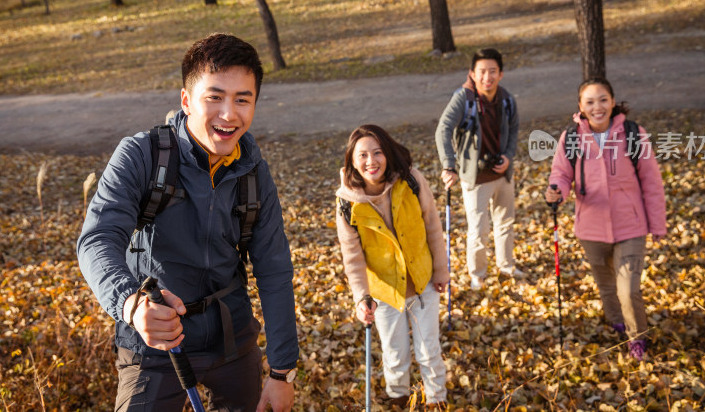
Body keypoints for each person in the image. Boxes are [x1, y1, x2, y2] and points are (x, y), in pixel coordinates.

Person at [77, 33, 299, 411]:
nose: (229, 114)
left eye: (242, 100)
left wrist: (282, 373)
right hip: (155, 340)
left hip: (232, 342)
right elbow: (97, 239)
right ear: (186, 100)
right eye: (214, 97)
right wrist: (131, 305)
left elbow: (274, 271)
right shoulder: (142, 155)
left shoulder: (254, 174)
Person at [544, 77, 667, 360]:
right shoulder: (572, 137)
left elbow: (651, 182)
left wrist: (657, 223)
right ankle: (617, 323)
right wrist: (556, 192)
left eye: (603, 100)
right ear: (580, 107)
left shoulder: (634, 134)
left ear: (612, 102)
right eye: (590, 102)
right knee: (607, 286)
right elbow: (561, 174)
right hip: (591, 226)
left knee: (629, 289)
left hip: (631, 226)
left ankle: (637, 338)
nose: (597, 107)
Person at [335, 125, 449, 409]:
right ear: (351, 161)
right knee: (395, 353)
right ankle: (399, 398)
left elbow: (433, 227)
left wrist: (441, 270)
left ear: (388, 153)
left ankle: (437, 400)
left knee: (429, 350)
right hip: (384, 292)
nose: (371, 161)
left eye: (377, 153)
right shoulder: (347, 203)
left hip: (423, 282)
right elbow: (352, 257)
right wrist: (361, 297)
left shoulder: (411, 181)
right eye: (362, 155)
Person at [434, 48, 523, 290]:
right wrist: (448, 165)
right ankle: (478, 273)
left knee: (505, 223)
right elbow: (443, 129)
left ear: (501, 74)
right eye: (482, 72)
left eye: (492, 71)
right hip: (474, 177)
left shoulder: (506, 99)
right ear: (472, 73)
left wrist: (508, 156)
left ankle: (506, 266)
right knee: (479, 230)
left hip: (502, 172)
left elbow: (514, 130)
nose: (487, 77)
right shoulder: (464, 98)